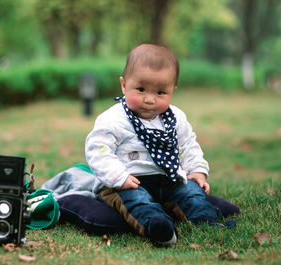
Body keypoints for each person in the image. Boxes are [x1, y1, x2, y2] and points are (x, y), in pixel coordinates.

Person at [85, 43, 219, 245]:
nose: (149, 99)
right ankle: (159, 227)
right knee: (137, 200)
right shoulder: (113, 119)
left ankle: (206, 222)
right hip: (125, 182)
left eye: (160, 93)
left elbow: (188, 145)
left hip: (167, 179)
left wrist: (198, 171)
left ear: (173, 90)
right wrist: (119, 177)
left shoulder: (176, 118)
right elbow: (98, 151)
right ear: (124, 85)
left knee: (192, 192)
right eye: (140, 89)